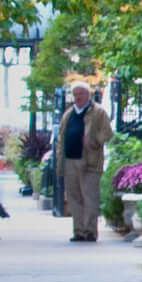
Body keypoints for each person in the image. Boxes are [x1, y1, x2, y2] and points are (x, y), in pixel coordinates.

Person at [59, 84, 107, 242]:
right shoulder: (69, 113)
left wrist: (94, 141)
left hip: (90, 161)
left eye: (80, 93)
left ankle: (90, 231)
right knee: (74, 198)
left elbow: (108, 133)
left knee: (90, 197)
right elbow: (61, 137)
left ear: (88, 94)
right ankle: (78, 231)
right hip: (70, 160)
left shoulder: (98, 112)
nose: (77, 97)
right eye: (75, 94)